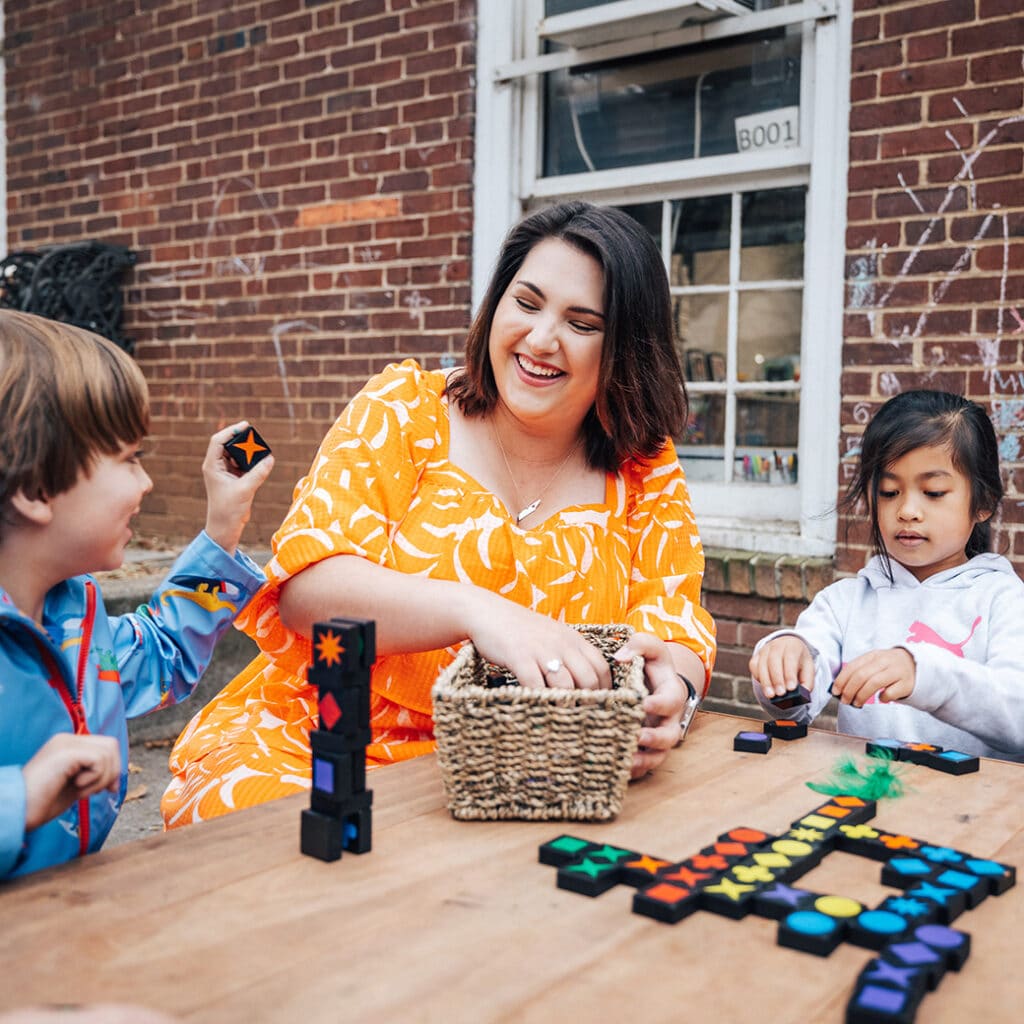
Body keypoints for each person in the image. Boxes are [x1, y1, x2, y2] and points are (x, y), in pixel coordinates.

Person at [161, 201, 717, 828]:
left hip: (530, 770)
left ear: (626, 348)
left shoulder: (645, 467)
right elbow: (309, 589)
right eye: (526, 304)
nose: (540, 340)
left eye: (582, 323)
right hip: (322, 744)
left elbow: (673, 625)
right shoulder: (405, 408)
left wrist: (677, 694)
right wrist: (479, 611)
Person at [0, 309, 273, 879]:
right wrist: (18, 799)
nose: (146, 482)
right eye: (129, 459)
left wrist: (222, 528)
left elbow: (161, 652)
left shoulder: (75, 615)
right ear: (35, 488)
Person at [750, 389, 1024, 762]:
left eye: (933, 492)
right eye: (889, 491)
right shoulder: (845, 601)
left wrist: (923, 675)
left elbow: (1017, 715)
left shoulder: (1004, 599)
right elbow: (795, 707)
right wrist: (782, 665)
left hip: (976, 812)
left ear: (984, 503)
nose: (908, 510)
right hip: (869, 799)